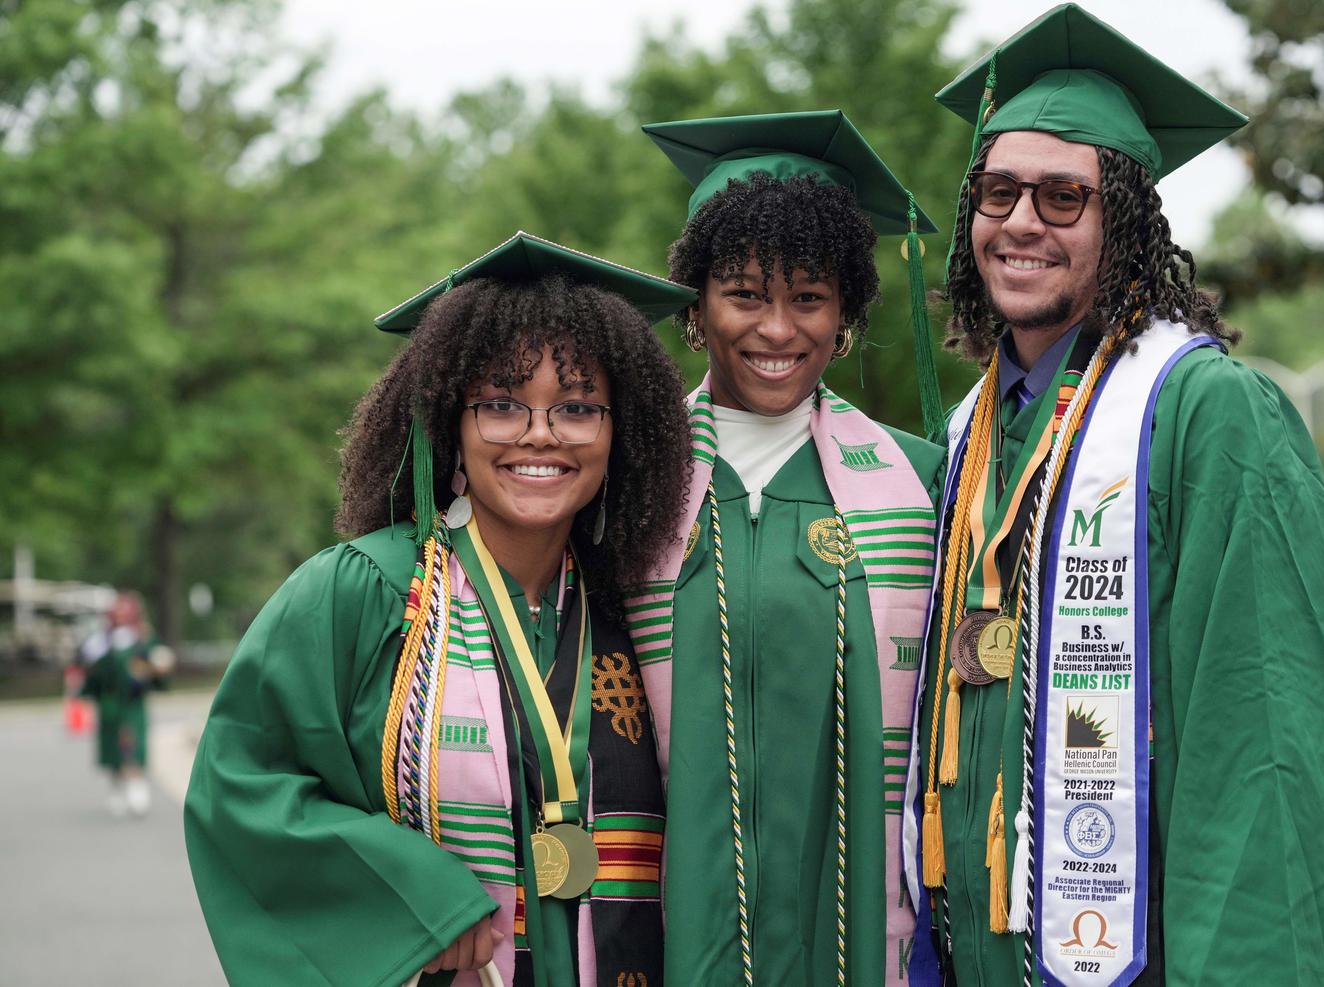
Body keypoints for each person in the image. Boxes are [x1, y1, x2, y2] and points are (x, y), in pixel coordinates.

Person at [904, 6, 1324, 985]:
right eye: (998, 192)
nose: (1022, 221)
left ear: (1122, 221)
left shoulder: (1209, 416)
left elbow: (1268, 752)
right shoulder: (969, 437)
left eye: (1063, 198)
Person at [184, 232, 695, 986]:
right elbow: (242, 784)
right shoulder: (365, 590)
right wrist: (414, 897)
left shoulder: (633, 603)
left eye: (579, 406)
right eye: (500, 404)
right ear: (448, 421)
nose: (540, 434)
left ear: (620, 433)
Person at [627, 110, 946, 986]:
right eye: (744, 294)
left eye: (808, 297)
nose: (777, 329)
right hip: (664, 925)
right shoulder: (628, 479)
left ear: (844, 311)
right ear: (697, 303)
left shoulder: (921, 484)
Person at [81, 590, 171, 816]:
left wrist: (156, 669)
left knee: (133, 744)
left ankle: (137, 785)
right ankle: (116, 787)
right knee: (112, 747)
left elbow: (157, 666)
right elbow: (91, 673)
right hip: (110, 703)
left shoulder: (143, 637)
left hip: (133, 703)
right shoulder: (102, 640)